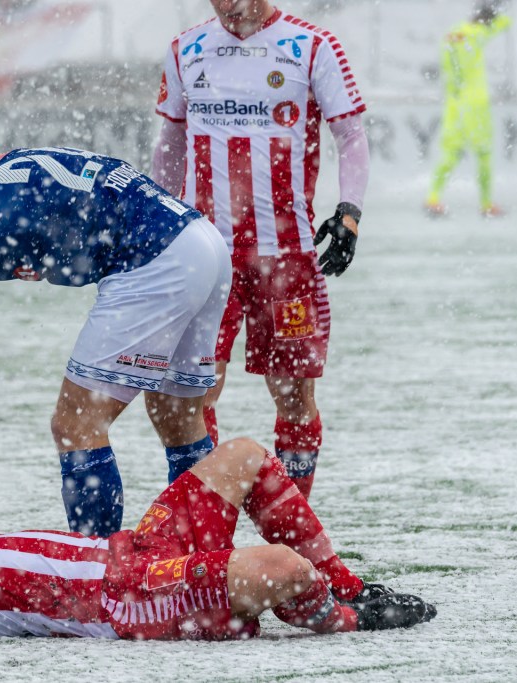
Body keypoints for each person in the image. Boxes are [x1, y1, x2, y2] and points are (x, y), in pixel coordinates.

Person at [0, 148, 231, 545]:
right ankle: (206, 554)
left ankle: (96, 569)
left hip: (155, 257)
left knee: (77, 425)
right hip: (199, 238)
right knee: (178, 418)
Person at [0, 438, 436, 638]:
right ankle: (345, 618)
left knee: (244, 456)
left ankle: (348, 584)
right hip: (123, 601)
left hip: (132, 551)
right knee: (286, 568)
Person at [150, 0, 371, 499]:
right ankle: (204, 523)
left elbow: (351, 135)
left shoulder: (313, 46)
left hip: (286, 257)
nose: (227, 5)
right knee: (195, 394)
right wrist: (158, 217)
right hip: (206, 257)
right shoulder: (186, 48)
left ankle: (292, 525)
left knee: (293, 398)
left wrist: (349, 211)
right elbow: (170, 142)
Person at [425, 1, 511, 218]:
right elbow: (503, 22)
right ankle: (486, 203)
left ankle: (433, 198)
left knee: (450, 152)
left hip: (454, 102)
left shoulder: (453, 33)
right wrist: (500, 14)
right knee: (484, 152)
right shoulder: (478, 34)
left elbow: (446, 65)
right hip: (476, 103)